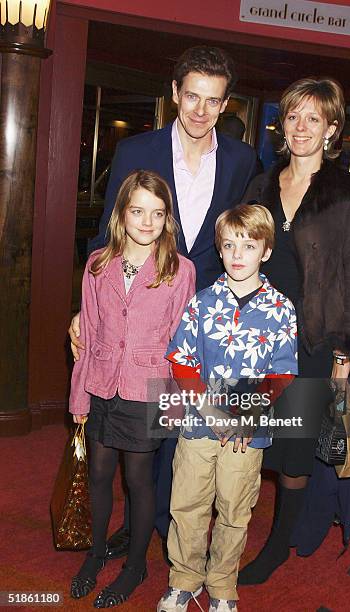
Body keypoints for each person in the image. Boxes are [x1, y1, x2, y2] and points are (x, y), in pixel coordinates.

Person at [69, 45, 257, 558]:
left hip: (203, 322)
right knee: (137, 422)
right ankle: (134, 527)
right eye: (191, 96)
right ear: (175, 94)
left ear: (225, 105)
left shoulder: (242, 161)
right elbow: (108, 238)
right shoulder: (136, 152)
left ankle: (166, 526)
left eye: (212, 100)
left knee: (181, 430)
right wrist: (87, 311)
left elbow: (241, 240)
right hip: (141, 315)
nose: (200, 110)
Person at [238, 77, 350, 585]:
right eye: (293, 116)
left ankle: (278, 545)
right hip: (256, 336)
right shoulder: (260, 183)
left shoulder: (347, 190)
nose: (300, 127)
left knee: (294, 450)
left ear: (331, 129)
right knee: (250, 437)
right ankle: (238, 527)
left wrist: (345, 352)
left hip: (312, 341)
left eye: (313, 119)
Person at [157, 204, 297, 612]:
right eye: (230, 245)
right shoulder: (202, 303)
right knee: (187, 503)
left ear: (265, 252)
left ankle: (221, 584)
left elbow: (282, 373)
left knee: (235, 509)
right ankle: (184, 578)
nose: (238, 254)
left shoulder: (280, 309)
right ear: (219, 250)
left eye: (249, 245)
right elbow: (182, 360)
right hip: (199, 423)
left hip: (246, 433)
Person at [68, 170, 195, 608]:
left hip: (149, 390)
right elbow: (88, 331)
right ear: (122, 213)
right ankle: (96, 552)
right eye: (138, 211)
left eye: (157, 213)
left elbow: (182, 343)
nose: (147, 222)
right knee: (100, 473)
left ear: (167, 219)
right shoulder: (98, 262)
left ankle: (135, 565)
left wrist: (178, 405)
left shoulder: (180, 269)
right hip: (103, 383)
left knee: (138, 480)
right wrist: (79, 396)